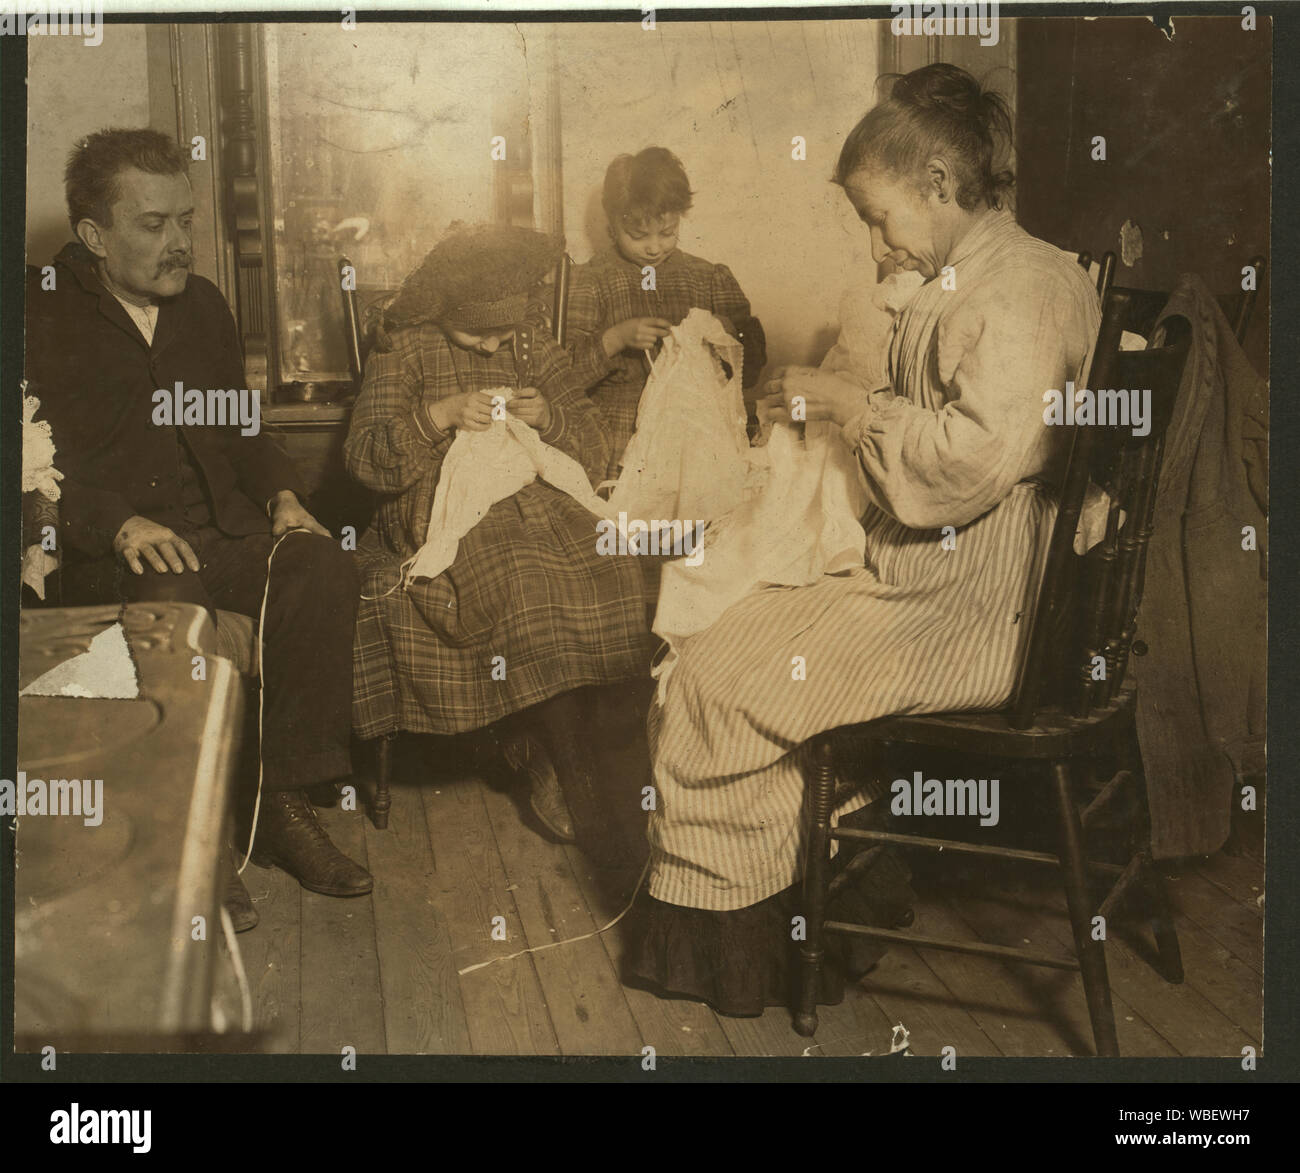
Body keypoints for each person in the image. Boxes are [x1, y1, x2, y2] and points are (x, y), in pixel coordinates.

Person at [624, 65, 1102, 1015]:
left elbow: (971, 463)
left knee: (716, 672)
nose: (879, 243)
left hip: (973, 610)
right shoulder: (994, 272)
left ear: (937, 184)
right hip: (939, 578)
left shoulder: (1024, 291)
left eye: (882, 218)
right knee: (730, 629)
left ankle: (750, 944)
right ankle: (829, 883)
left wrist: (848, 402)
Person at [25, 129, 371, 932]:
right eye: (153, 225)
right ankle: (196, 836)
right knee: (173, 597)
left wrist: (284, 494)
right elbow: (26, 455)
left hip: (220, 532)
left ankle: (278, 800)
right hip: (112, 552)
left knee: (320, 570)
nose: (179, 241)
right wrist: (113, 521)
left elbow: (243, 428)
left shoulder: (205, 306)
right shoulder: (39, 310)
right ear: (93, 237)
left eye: (184, 219)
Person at [344, 223, 651, 864]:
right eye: (476, 334)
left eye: (503, 335)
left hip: (538, 495)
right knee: (526, 577)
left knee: (615, 561)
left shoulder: (531, 343)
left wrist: (553, 419)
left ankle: (577, 761)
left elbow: (592, 444)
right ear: (443, 310)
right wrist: (440, 415)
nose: (492, 348)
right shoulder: (403, 348)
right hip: (442, 507)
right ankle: (572, 778)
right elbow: (367, 460)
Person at [541, 147, 767, 482]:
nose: (654, 247)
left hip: (701, 437)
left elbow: (753, 368)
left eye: (667, 232)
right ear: (611, 223)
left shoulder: (708, 278)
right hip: (620, 444)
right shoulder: (588, 282)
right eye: (638, 235)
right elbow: (558, 381)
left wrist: (724, 331)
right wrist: (615, 339)